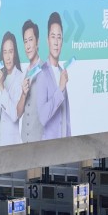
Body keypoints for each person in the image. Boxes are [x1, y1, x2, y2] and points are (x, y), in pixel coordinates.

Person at [31, 11, 71, 140]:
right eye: (53, 37)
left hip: (65, 146)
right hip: (50, 147)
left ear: (62, 41)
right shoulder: (42, 73)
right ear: (47, 40)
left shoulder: (62, 72)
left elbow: (66, 117)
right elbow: (42, 117)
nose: (56, 42)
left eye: (59, 37)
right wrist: (60, 89)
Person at [0, 31, 25, 146]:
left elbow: (14, 115)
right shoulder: (0, 76)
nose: (7, 57)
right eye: (5, 52)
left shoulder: (20, 78)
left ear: (15, 53)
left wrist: (2, 88)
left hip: (12, 144)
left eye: (10, 52)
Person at [18, 20, 44, 142]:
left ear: (37, 42)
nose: (28, 46)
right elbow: (19, 112)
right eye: (25, 41)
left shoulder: (46, 70)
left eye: (31, 40)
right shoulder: (24, 73)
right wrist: (23, 94)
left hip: (41, 141)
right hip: (24, 141)